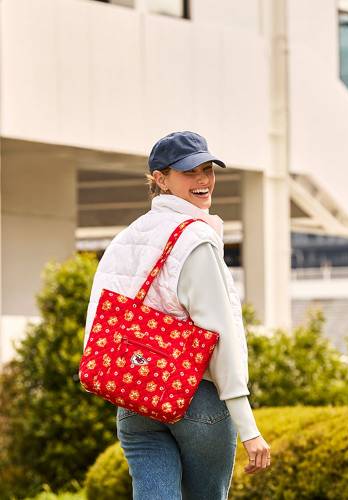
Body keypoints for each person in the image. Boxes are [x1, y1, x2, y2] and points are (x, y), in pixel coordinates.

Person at [84, 131, 271, 499]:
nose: (203, 180)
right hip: (196, 399)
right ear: (160, 178)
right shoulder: (194, 241)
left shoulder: (126, 238)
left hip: (137, 399)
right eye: (189, 172)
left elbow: (99, 320)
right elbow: (221, 335)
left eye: (207, 169)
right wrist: (248, 427)